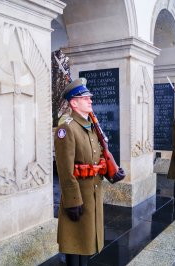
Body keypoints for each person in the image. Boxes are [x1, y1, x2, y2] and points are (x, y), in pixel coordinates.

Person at [54, 78, 125, 266]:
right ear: (74, 102)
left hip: (92, 193)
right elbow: (64, 169)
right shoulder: (67, 128)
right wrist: (72, 200)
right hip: (78, 196)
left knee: (86, 242)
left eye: (89, 97)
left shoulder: (90, 127)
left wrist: (112, 173)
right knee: (74, 244)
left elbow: (98, 157)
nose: (90, 100)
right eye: (85, 97)